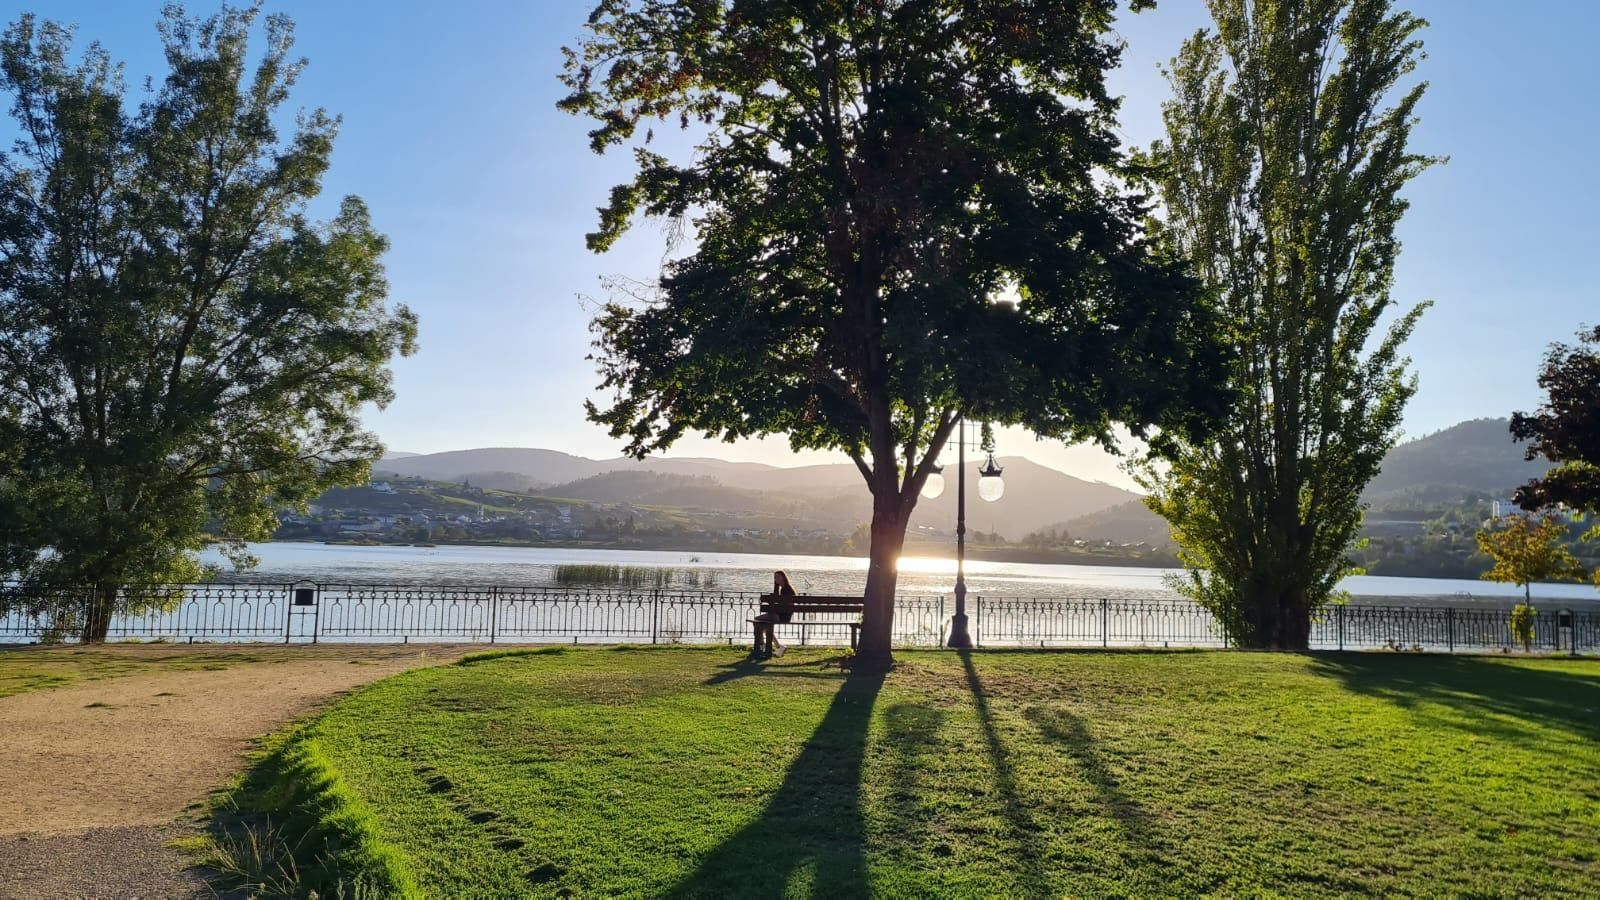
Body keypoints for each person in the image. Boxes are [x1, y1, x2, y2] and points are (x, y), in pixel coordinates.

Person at [755, 570, 798, 657]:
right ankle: (777, 647)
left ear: (784, 578)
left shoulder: (785, 590)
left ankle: (763, 647)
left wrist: (771, 609)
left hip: (782, 616)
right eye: (775, 577)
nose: (776, 579)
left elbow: (782, 606)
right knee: (763, 626)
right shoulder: (786, 588)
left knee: (757, 621)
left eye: (778, 577)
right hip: (784, 615)